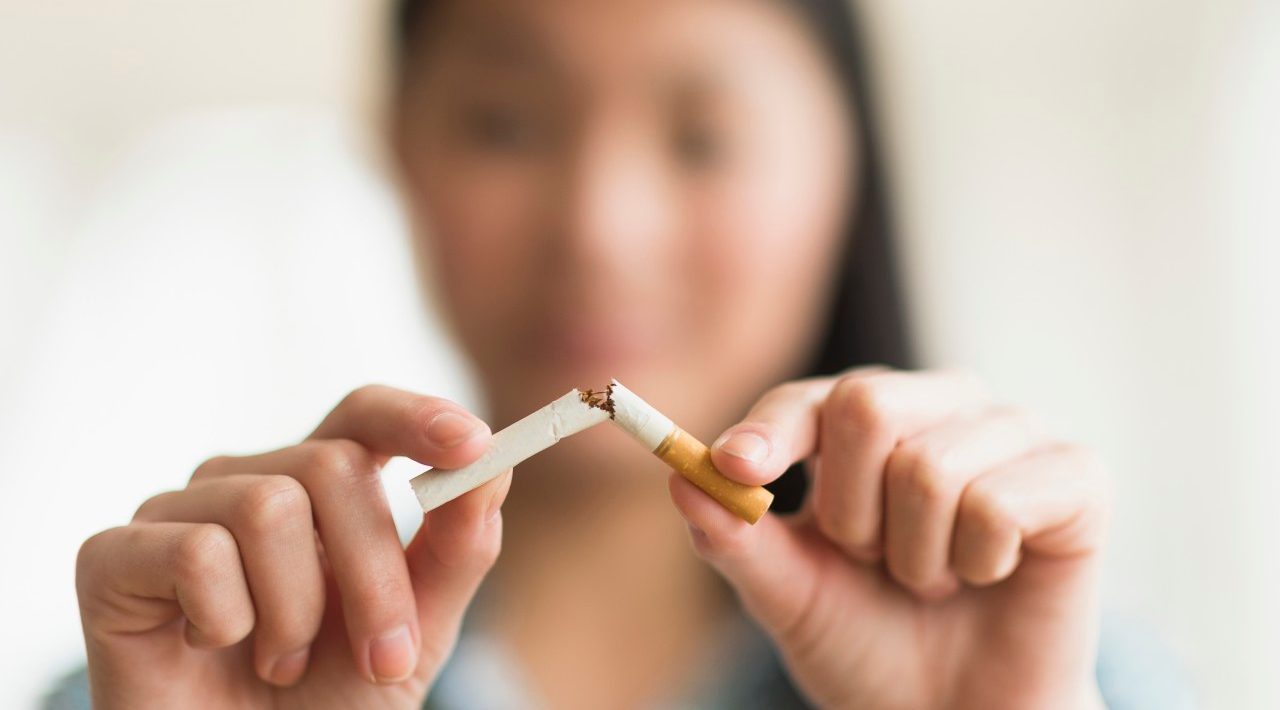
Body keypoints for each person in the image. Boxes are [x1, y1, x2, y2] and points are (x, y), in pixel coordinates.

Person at [66, 0, 1190, 708]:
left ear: (839, 167)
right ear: (397, 145)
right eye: (505, 123)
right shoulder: (189, 669)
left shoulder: (1074, 678)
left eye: (702, 139)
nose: (599, 227)